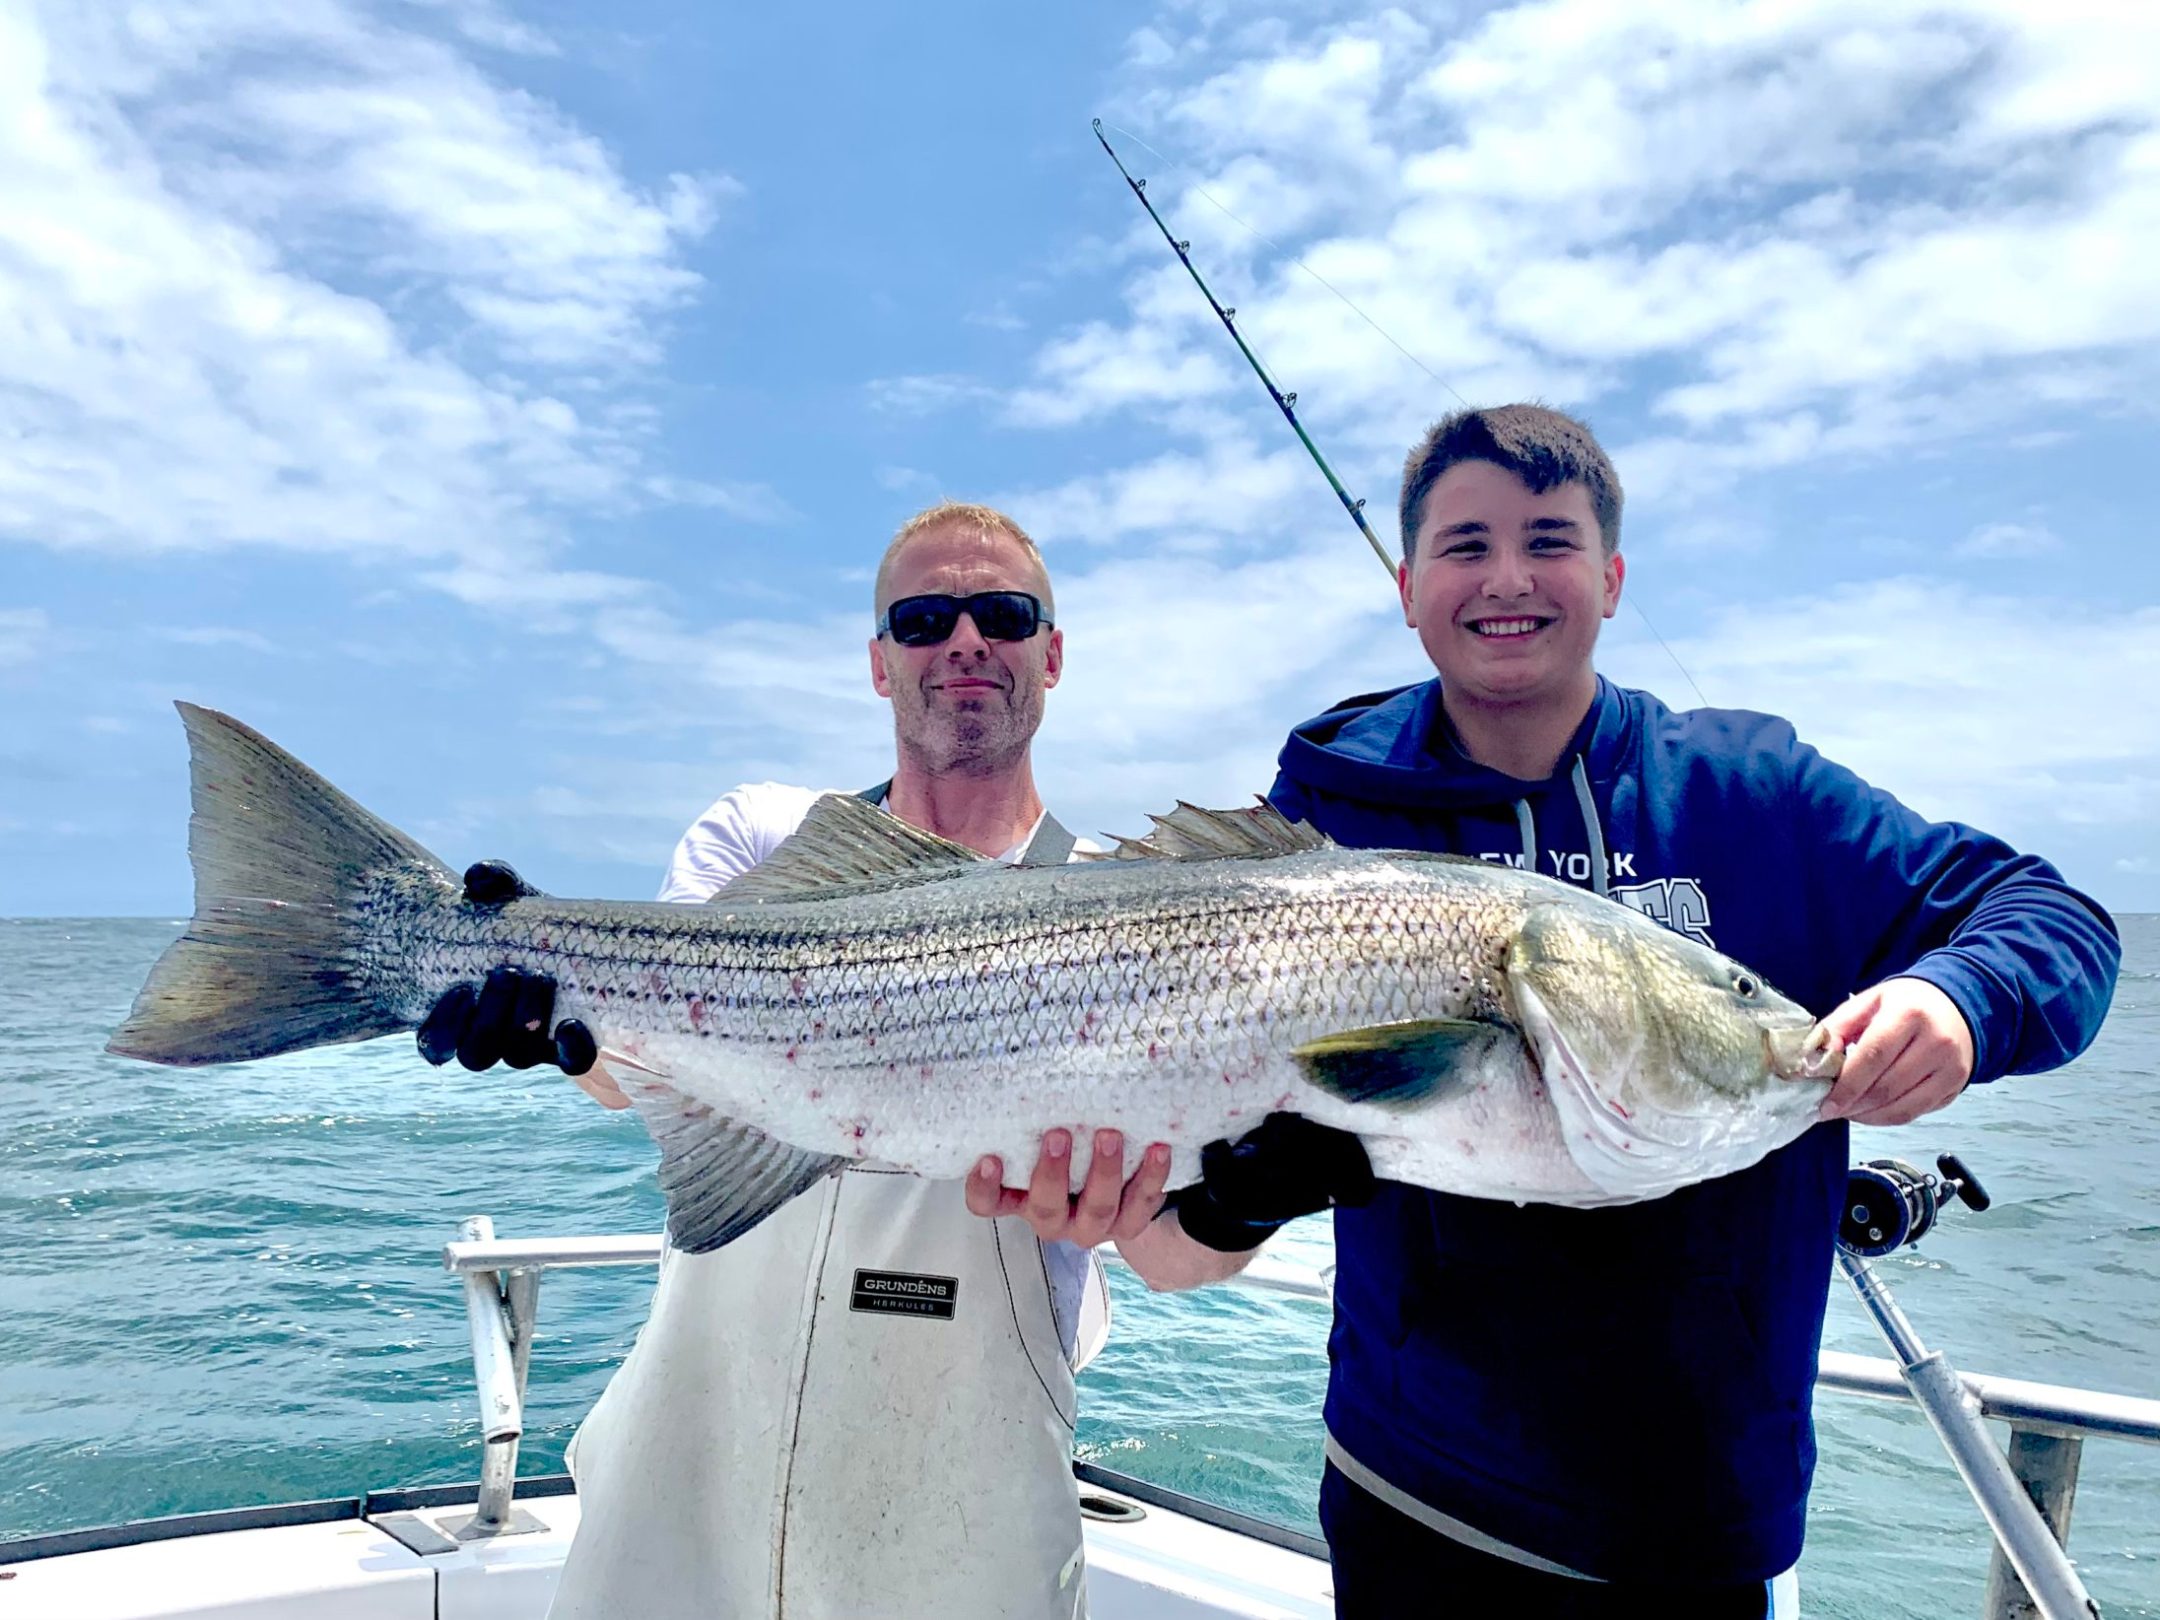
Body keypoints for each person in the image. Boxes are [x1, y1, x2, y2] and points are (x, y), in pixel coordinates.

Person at [1154, 405, 2122, 1618]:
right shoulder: (1328, 826)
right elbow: (1177, 1203)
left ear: (1611, 579)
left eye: (1548, 540)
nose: (1507, 577)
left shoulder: (1753, 793)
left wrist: (1958, 996)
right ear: (1408, 587)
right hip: (1417, 1490)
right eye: (1465, 546)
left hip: (1700, 1518)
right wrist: (1232, 1190)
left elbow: (2050, 912)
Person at [418, 500, 1205, 1619]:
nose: (965, 641)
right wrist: (553, 1026)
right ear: (881, 664)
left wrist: (1152, 1212)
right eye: (926, 619)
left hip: (964, 1503)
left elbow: (1180, 1253)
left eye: (1003, 614)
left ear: (1053, 652)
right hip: (690, 1457)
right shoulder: (764, 838)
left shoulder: (1137, 918)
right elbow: (643, 1072)